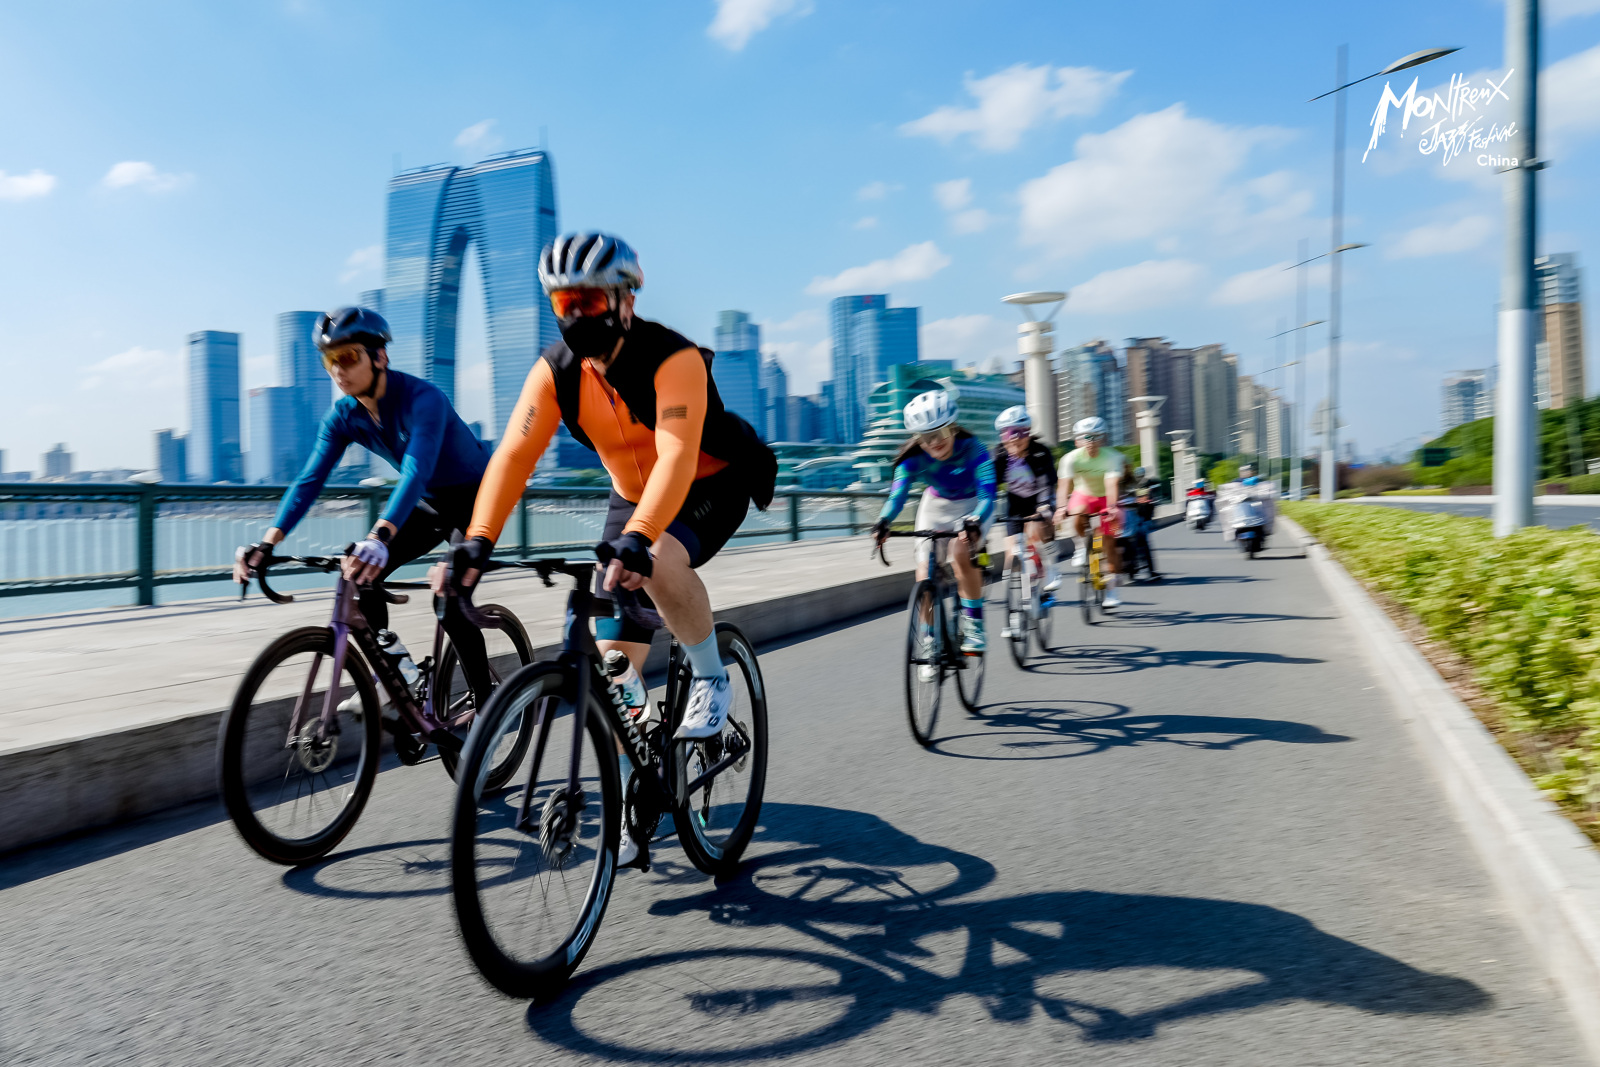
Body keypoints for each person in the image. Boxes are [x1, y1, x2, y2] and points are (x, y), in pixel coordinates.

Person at [447, 232, 776, 868]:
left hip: (709, 481)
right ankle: (636, 787)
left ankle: (711, 676)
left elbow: (677, 456)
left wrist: (642, 540)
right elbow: (513, 458)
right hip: (633, 498)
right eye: (563, 301)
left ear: (625, 299)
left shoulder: (672, 358)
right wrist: (476, 543)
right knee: (614, 664)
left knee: (660, 567)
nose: (576, 315)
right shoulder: (555, 372)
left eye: (590, 300)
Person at [233, 306, 496, 727]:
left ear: (380, 357)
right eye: (330, 360)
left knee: (448, 594)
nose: (339, 370)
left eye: (349, 356)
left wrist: (380, 534)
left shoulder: (422, 399)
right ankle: (394, 677)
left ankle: (488, 705)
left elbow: (416, 470)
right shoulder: (344, 416)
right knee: (362, 571)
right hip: (429, 501)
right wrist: (268, 543)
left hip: (479, 497)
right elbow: (309, 480)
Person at [870, 390, 997, 657]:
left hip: (974, 504)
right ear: (918, 438)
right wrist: (884, 520)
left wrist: (974, 520)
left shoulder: (974, 449)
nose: (935, 442)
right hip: (935, 505)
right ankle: (930, 639)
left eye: (940, 433)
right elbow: (898, 495)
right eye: (926, 438)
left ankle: (974, 624)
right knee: (925, 573)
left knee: (960, 551)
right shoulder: (911, 459)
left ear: (953, 428)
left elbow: (988, 495)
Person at [992, 406, 1060, 640]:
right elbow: (988, 485)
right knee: (1013, 556)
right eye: (1007, 434)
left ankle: (1052, 569)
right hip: (1015, 503)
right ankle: (1014, 617)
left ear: (1028, 432)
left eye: (1018, 434)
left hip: (1039, 500)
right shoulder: (999, 455)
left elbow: (1046, 483)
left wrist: (1044, 506)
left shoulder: (1040, 452)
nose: (1013, 440)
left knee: (1040, 528)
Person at [1054, 416, 1128, 608]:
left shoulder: (1113, 457)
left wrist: (1111, 508)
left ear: (1103, 438)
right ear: (1077, 440)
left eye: (1096, 437)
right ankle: (1080, 546)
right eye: (1086, 437)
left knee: (1108, 542)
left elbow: (1111, 484)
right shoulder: (1070, 458)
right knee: (1077, 514)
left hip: (1105, 497)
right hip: (1083, 495)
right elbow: (1063, 487)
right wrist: (1061, 507)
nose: (1091, 442)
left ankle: (1112, 591)